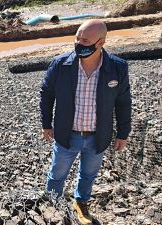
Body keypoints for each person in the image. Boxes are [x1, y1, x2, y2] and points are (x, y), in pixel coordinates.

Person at [40, 20, 131, 225]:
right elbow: (46, 94)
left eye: (85, 40)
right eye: (77, 38)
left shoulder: (117, 68)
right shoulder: (60, 64)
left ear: (100, 43)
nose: (79, 43)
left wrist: (123, 134)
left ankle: (81, 204)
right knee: (57, 174)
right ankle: (53, 207)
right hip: (67, 134)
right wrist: (46, 124)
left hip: (98, 137)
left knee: (88, 175)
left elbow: (123, 102)